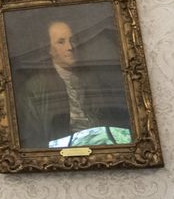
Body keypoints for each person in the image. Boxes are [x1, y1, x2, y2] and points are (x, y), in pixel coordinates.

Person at [16, 17, 133, 148]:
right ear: (49, 49)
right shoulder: (35, 87)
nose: (70, 47)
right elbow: (34, 137)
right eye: (61, 42)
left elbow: (112, 120)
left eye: (72, 40)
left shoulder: (92, 80)